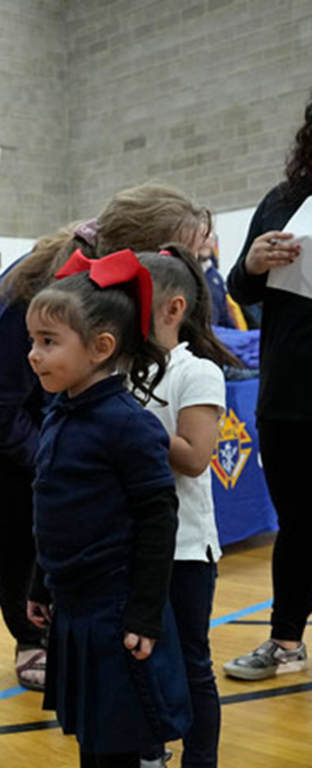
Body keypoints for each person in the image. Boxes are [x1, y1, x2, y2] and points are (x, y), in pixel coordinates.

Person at [0, 182, 211, 691]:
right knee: (19, 512)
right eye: (177, 252)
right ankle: (30, 637)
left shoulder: (117, 288)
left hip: (27, 394)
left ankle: (69, 621)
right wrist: (55, 457)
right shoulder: (44, 285)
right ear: (136, 250)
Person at [24, 249, 190, 768]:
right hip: (73, 606)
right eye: (33, 341)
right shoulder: (58, 414)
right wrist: (39, 582)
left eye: (48, 342)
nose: (34, 354)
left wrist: (144, 612)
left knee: (119, 742)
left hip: (117, 611)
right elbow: (50, 508)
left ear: (101, 347)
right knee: (94, 740)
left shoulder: (127, 425)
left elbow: (159, 518)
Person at [139, 247, 240, 768]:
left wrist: (124, 425)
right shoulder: (116, 369)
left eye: (133, 299)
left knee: (191, 664)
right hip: (131, 545)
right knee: (139, 660)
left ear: (173, 309)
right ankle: (149, 753)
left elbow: (196, 458)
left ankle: (200, 759)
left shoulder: (196, 371)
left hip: (184, 549)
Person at [224, 92, 312, 681]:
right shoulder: (283, 202)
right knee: (298, 524)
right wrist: (253, 262)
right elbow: (240, 286)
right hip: (290, 397)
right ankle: (285, 643)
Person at [195, 235, 237, 329]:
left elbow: (224, 318)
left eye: (209, 236)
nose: (205, 241)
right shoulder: (182, 272)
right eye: (201, 235)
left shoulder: (216, 278)